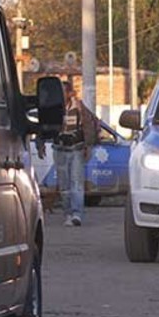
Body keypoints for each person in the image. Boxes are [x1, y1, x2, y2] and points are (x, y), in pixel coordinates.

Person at [54, 81, 98, 227]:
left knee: (77, 183)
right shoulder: (53, 108)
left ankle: (76, 214)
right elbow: (45, 125)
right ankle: (67, 214)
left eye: (64, 92)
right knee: (64, 185)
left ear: (70, 93)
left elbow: (90, 124)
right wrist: (41, 143)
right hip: (60, 150)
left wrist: (88, 145)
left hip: (76, 150)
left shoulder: (79, 107)